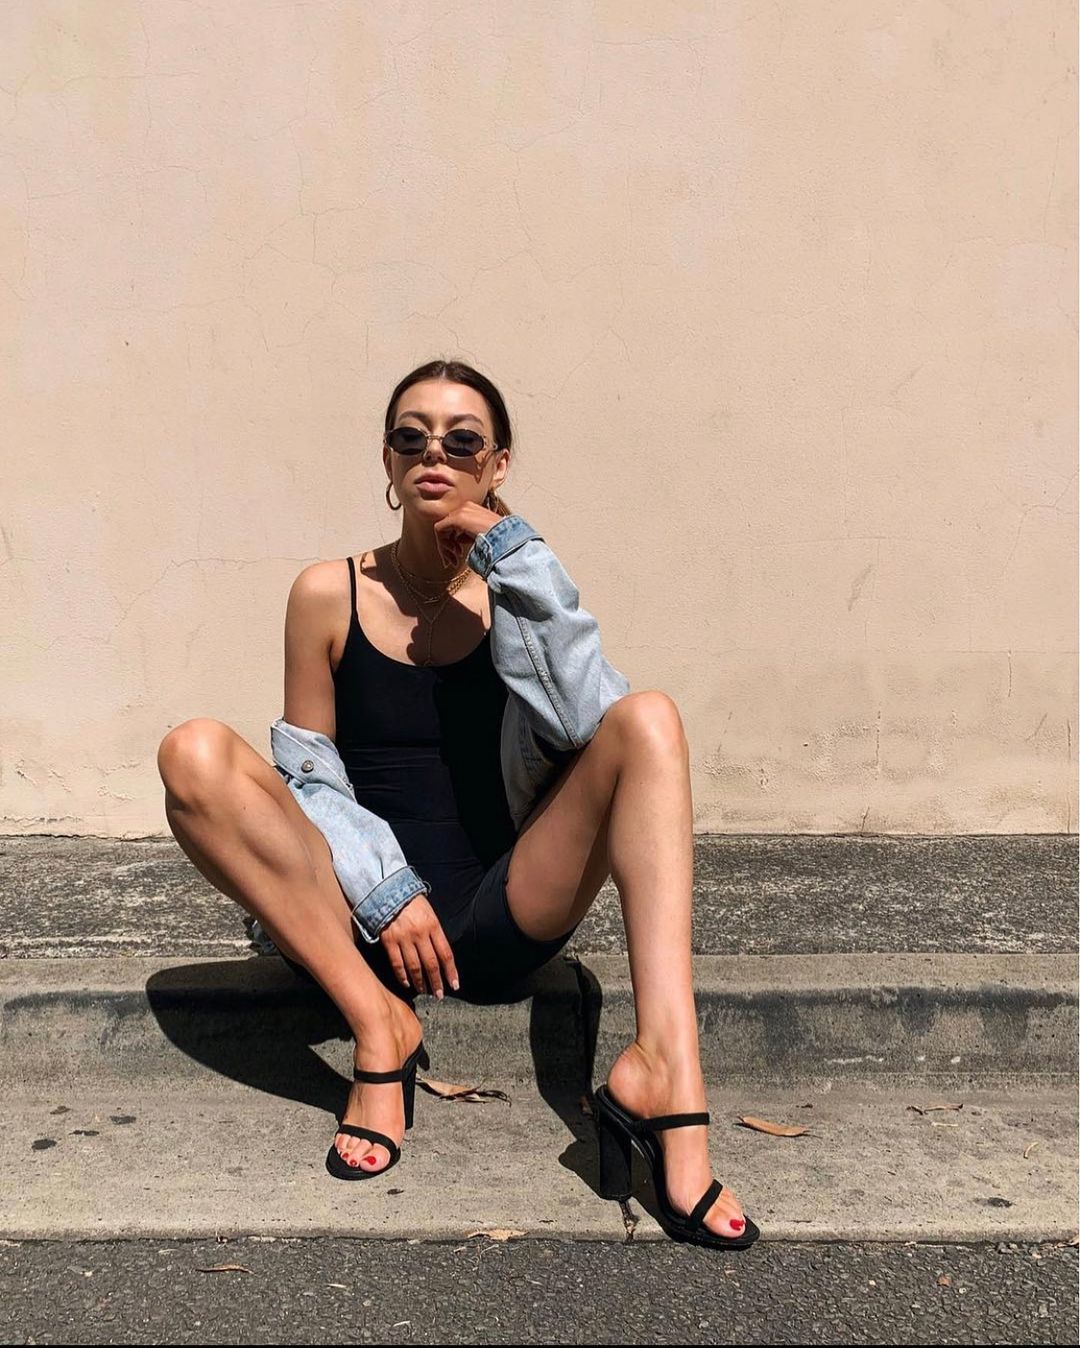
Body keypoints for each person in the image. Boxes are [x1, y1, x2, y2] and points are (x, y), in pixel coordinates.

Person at [157, 358, 758, 1250]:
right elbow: (311, 780)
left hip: (502, 908)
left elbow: (584, 720)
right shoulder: (327, 593)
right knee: (193, 753)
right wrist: (384, 888)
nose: (433, 454)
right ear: (389, 461)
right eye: (411, 438)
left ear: (497, 464)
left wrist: (514, 556)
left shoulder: (518, 586)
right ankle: (381, 1027)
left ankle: (668, 1067)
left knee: (651, 720)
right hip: (357, 921)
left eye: (462, 440)